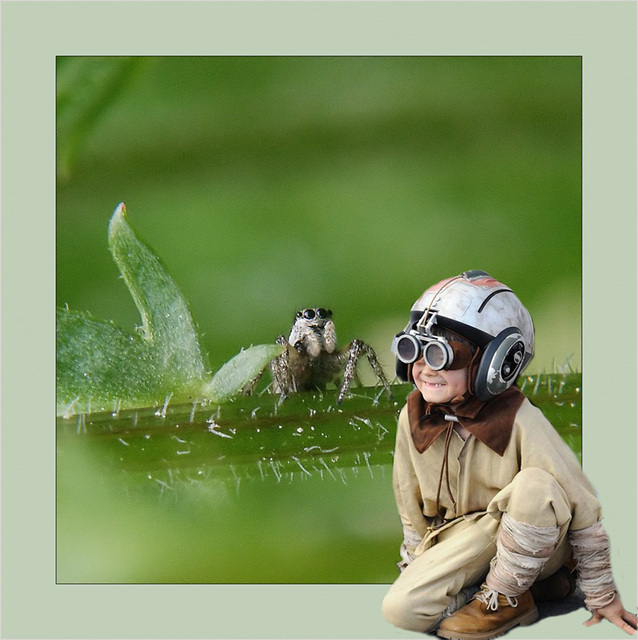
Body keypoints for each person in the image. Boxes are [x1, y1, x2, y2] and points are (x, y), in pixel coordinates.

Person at [382, 270, 636, 640]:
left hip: (532, 534)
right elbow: (409, 501)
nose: (424, 368)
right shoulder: (414, 416)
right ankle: (537, 591)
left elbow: (582, 506)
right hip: (460, 537)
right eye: (414, 350)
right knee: (401, 611)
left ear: (497, 363)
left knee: (535, 485)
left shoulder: (521, 419)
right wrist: (417, 566)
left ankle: (507, 597)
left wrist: (602, 595)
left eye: (443, 355)